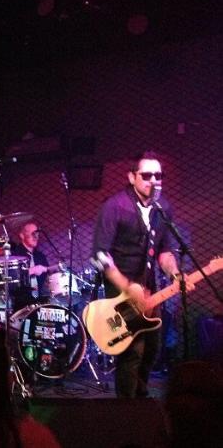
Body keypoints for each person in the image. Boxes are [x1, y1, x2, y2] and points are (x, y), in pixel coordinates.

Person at [92, 150, 193, 398]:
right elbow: (100, 255)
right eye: (146, 175)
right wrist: (128, 288)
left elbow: (165, 251)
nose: (153, 180)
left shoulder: (162, 208)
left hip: (149, 287)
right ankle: (127, 408)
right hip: (120, 289)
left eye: (158, 175)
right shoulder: (115, 206)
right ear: (132, 177)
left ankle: (141, 398)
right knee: (132, 351)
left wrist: (175, 273)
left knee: (152, 348)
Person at [11, 221, 51, 306]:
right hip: (19, 302)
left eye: (37, 234)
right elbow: (10, 278)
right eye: (33, 234)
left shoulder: (40, 256)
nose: (36, 237)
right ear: (22, 236)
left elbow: (48, 277)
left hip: (39, 301)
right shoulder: (14, 255)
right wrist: (30, 271)